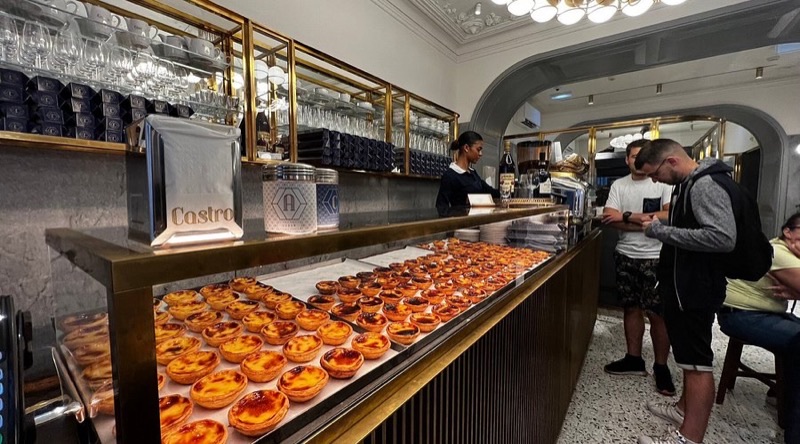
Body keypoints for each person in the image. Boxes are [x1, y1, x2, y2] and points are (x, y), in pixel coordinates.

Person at [634, 138, 738, 444]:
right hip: (684, 284)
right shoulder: (688, 185)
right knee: (688, 360)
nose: (654, 181)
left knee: (697, 365)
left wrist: (659, 230)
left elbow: (722, 238)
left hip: (695, 286)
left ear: (672, 162)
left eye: (655, 174)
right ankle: (683, 410)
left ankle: (688, 437)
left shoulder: (705, 185)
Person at [717, 213, 800, 444]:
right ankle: (794, 430)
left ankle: (783, 394)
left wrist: (794, 293)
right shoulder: (780, 252)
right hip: (741, 316)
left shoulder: (789, 251)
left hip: (762, 313)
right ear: (788, 231)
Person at [601, 139, 675, 396]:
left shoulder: (662, 182)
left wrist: (627, 216)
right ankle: (634, 359)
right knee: (630, 308)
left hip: (656, 257)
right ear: (627, 159)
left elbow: (669, 216)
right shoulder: (619, 185)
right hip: (626, 255)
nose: (637, 161)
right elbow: (610, 217)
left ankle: (661, 367)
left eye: (641, 157)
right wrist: (641, 221)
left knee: (657, 313)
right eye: (633, 157)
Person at [436, 131, 500, 216]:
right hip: (462, 225)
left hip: (476, 222)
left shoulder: (473, 173)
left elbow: (490, 191)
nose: (480, 154)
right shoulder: (450, 175)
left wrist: (509, 189)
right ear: (466, 148)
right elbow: (441, 207)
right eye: (478, 149)